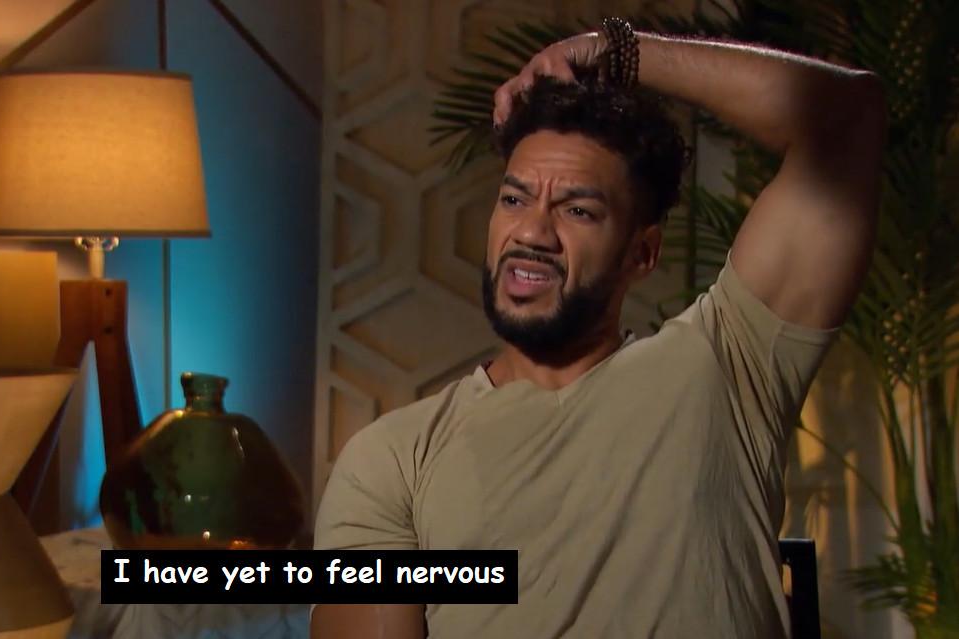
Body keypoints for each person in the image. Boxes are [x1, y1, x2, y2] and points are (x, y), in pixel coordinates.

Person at [311, 19, 884, 639]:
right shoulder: (393, 459)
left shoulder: (727, 365)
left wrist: (620, 51)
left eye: (578, 210)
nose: (532, 232)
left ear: (642, 253)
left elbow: (848, 117)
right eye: (514, 200)